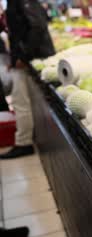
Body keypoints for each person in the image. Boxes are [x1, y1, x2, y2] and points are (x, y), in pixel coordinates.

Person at [0, 0, 55, 159]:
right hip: (29, 57)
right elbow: (20, 30)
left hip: (31, 58)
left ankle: (23, 143)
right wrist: (15, 58)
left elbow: (37, 26)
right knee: (21, 100)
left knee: (20, 101)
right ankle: (24, 141)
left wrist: (22, 57)